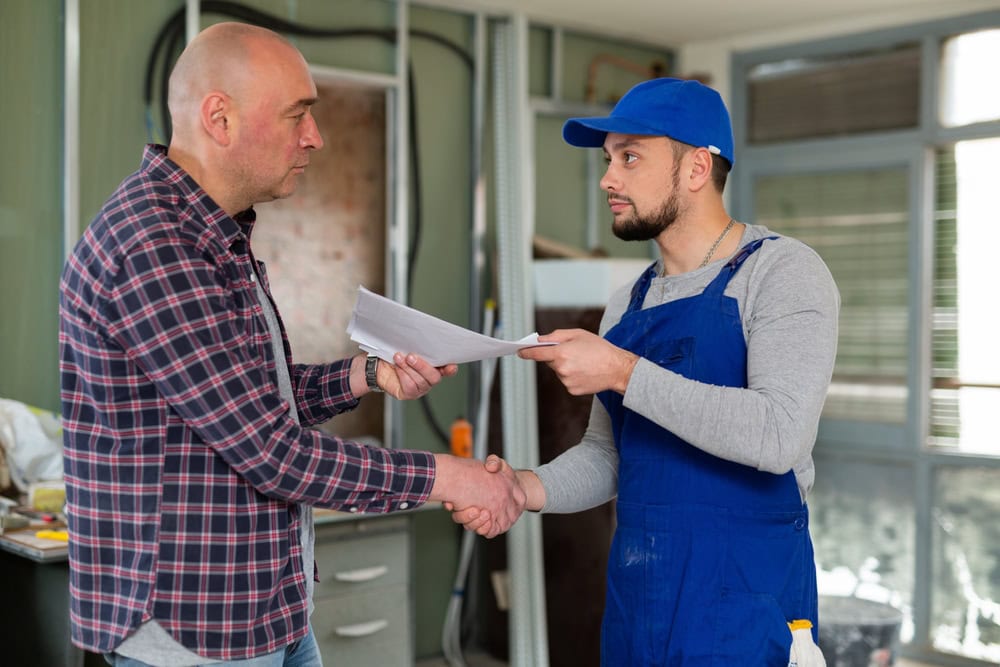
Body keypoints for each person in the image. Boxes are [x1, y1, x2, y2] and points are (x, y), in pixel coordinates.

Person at [59, 22, 523, 667]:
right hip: (194, 630)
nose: (316, 137)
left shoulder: (216, 237)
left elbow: (253, 399)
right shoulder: (157, 247)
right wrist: (455, 478)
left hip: (265, 611)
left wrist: (367, 374)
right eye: (297, 114)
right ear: (218, 117)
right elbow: (270, 451)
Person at [454, 77, 839, 665]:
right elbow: (608, 456)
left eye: (630, 157)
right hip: (641, 602)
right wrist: (523, 488)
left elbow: (779, 435)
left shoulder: (781, 273)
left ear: (696, 168)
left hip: (743, 605)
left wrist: (621, 371)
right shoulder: (627, 304)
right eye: (608, 159)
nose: (608, 178)